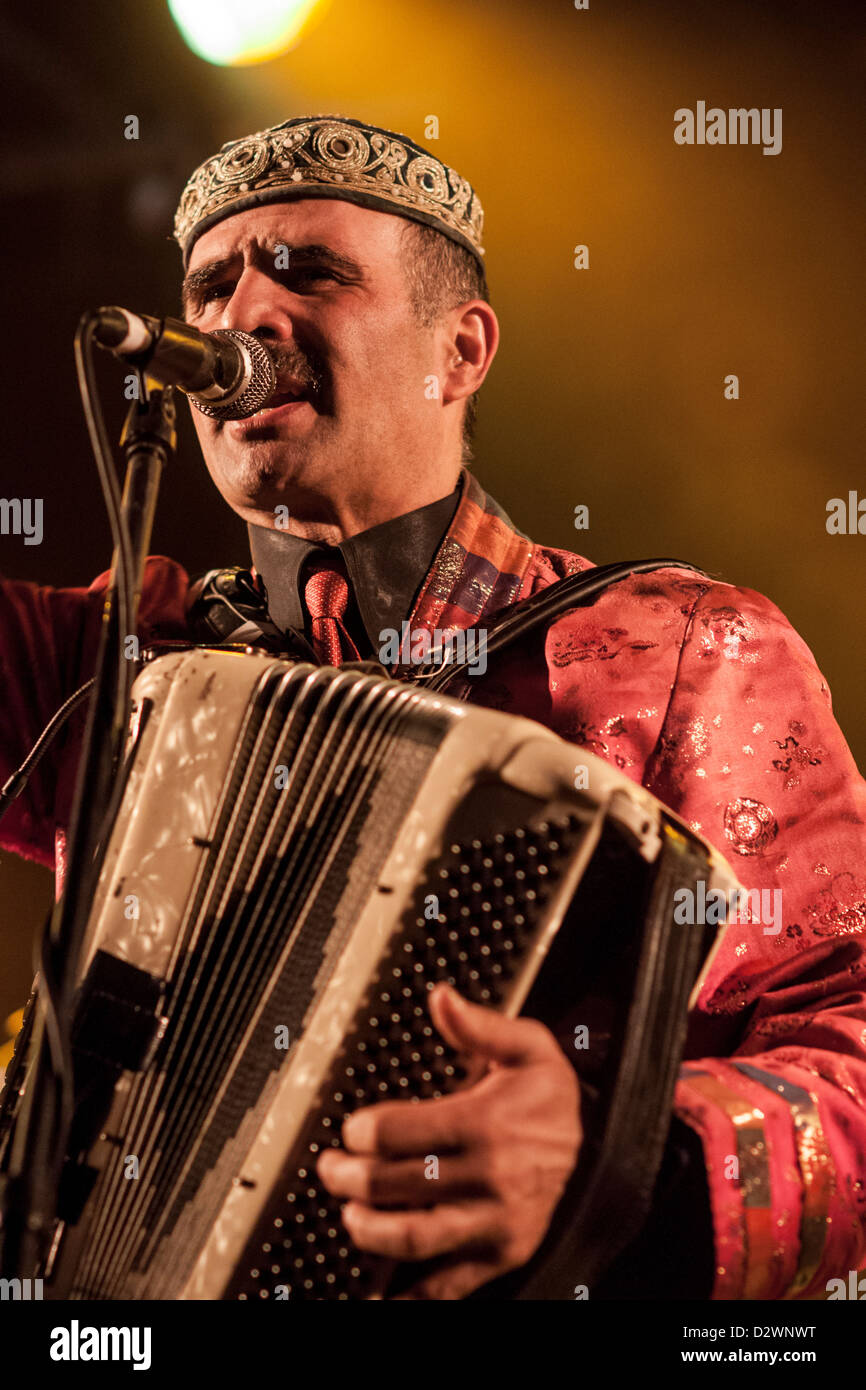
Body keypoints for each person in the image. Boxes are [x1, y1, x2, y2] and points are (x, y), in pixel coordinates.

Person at [1, 115, 864, 1301]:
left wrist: (625, 1165)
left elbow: (848, 1020)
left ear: (459, 352)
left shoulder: (678, 647)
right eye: (209, 285)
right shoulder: (113, 657)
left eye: (309, 270)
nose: (240, 316)